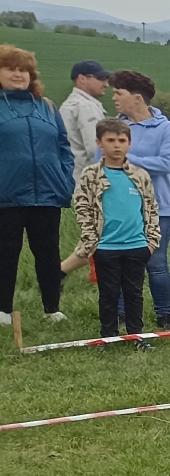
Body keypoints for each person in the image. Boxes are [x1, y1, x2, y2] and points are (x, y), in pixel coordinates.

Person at [60, 119, 157, 339]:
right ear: (99, 143)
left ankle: (136, 335)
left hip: (136, 245)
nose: (116, 145)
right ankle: (108, 335)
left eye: (122, 140)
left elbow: (151, 208)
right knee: (108, 294)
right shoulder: (91, 175)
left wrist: (151, 242)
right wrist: (92, 242)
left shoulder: (140, 175)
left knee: (134, 294)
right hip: (105, 246)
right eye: (110, 140)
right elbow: (82, 207)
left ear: (129, 144)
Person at [0, 45, 74, 326]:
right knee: (6, 253)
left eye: (24, 70)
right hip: (6, 195)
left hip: (47, 193)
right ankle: (3, 310)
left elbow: (63, 147)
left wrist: (65, 180)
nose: (18, 74)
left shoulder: (48, 107)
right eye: (10, 69)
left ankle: (52, 309)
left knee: (48, 252)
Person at [109, 69, 170, 328]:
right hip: (121, 207)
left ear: (137, 98)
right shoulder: (112, 127)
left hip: (159, 208)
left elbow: (167, 164)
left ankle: (164, 314)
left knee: (156, 262)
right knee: (120, 261)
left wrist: (125, 159)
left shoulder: (166, 128)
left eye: (119, 93)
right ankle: (121, 313)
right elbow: (101, 164)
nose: (114, 98)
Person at [60, 59, 108, 175]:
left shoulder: (67, 105)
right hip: (86, 178)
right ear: (82, 79)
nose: (106, 84)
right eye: (100, 78)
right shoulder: (86, 106)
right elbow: (95, 149)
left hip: (70, 174)